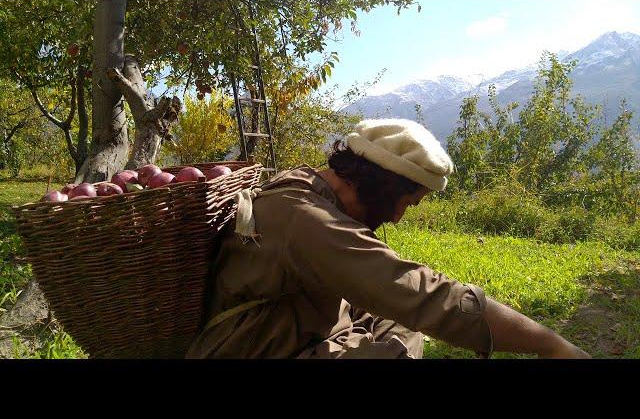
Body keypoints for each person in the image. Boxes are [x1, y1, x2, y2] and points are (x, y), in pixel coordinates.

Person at [186, 119, 590, 359]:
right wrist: (552, 346)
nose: (397, 217)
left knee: (400, 327)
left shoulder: (311, 189)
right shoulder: (305, 217)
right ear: (379, 184)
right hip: (253, 350)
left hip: (302, 326)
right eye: (404, 202)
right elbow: (422, 294)